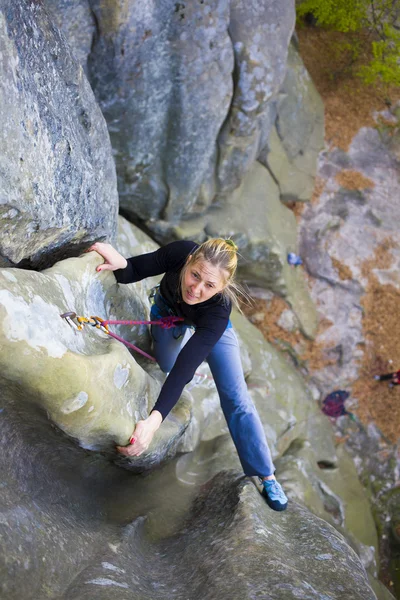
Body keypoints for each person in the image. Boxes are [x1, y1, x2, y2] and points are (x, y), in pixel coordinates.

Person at [90, 238, 288, 511]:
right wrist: (120, 263)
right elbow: (133, 271)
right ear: (189, 261)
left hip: (210, 330)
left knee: (235, 396)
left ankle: (266, 474)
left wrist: (153, 421)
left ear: (222, 287)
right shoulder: (179, 252)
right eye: (195, 275)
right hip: (168, 312)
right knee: (166, 364)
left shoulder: (218, 311)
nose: (196, 289)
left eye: (209, 285)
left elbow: (187, 366)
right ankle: (179, 334)